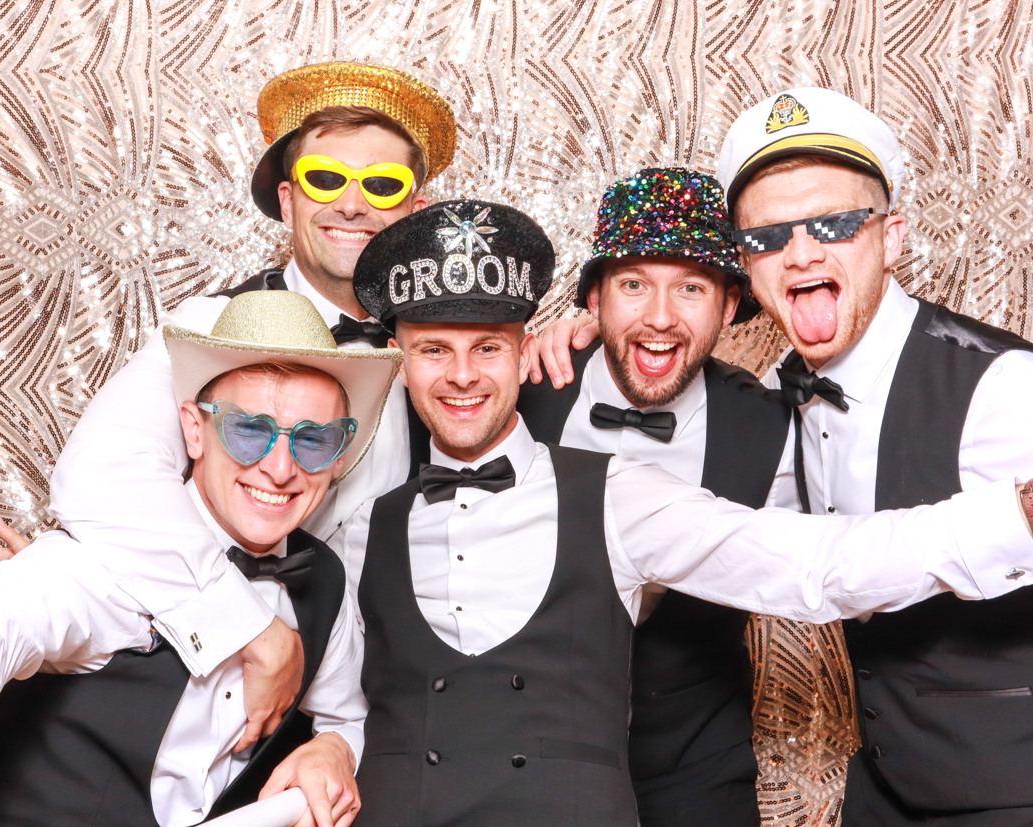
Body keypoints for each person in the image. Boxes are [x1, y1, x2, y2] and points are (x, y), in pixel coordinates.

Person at [334, 199, 1033, 827]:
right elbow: (334, 698)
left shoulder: (623, 494)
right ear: (399, 357)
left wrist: (1016, 516)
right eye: (434, 350)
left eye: (487, 347)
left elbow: (815, 563)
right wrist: (322, 752)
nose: (461, 375)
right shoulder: (360, 521)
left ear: (522, 351)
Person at [0, 61, 457, 763]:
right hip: (197, 687)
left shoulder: (443, 359)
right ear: (288, 197)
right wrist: (241, 628)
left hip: (360, 723)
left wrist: (579, 337)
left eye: (382, 184)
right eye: (327, 178)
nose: (353, 204)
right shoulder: (211, 328)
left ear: (414, 210)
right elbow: (103, 476)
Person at [0, 291, 403, 827]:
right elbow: (3, 614)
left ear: (342, 452)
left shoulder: (324, 581)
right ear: (193, 430)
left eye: (313, 439)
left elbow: (347, 713)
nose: (279, 466)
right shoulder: (113, 559)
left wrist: (336, 750)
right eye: (249, 430)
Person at [714, 87, 1033, 826]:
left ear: (890, 238)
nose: (801, 252)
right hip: (885, 786)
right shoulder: (767, 396)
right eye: (769, 236)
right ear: (745, 265)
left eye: (835, 222)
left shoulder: (1002, 384)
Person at [516, 168, 790, 826]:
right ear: (595, 301)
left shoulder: (771, 427)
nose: (660, 317)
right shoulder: (517, 388)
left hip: (697, 775)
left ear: (728, 306)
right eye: (634, 284)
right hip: (522, 768)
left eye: (690, 289)